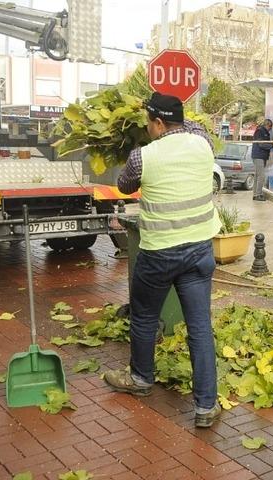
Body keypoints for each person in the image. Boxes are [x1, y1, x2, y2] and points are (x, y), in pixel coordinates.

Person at [105, 92, 222, 428]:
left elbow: (125, 187)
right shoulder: (203, 144)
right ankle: (205, 407)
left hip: (159, 254)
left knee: (144, 318)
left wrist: (141, 146)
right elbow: (196, 126)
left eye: (149, 121)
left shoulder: (142, 157)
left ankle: (141, 380)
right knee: (200, 327)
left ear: (157, 123)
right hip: (199, 251)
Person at [251, 119, 273, 201]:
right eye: (270, 127)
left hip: (261, 156)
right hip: (258, 156)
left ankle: (255, 194)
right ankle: (258, 194)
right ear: (267, 125)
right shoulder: (260, 131)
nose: (270, 129)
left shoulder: (264, 132)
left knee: (257, 176)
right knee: (261, 176)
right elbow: (262, 144)